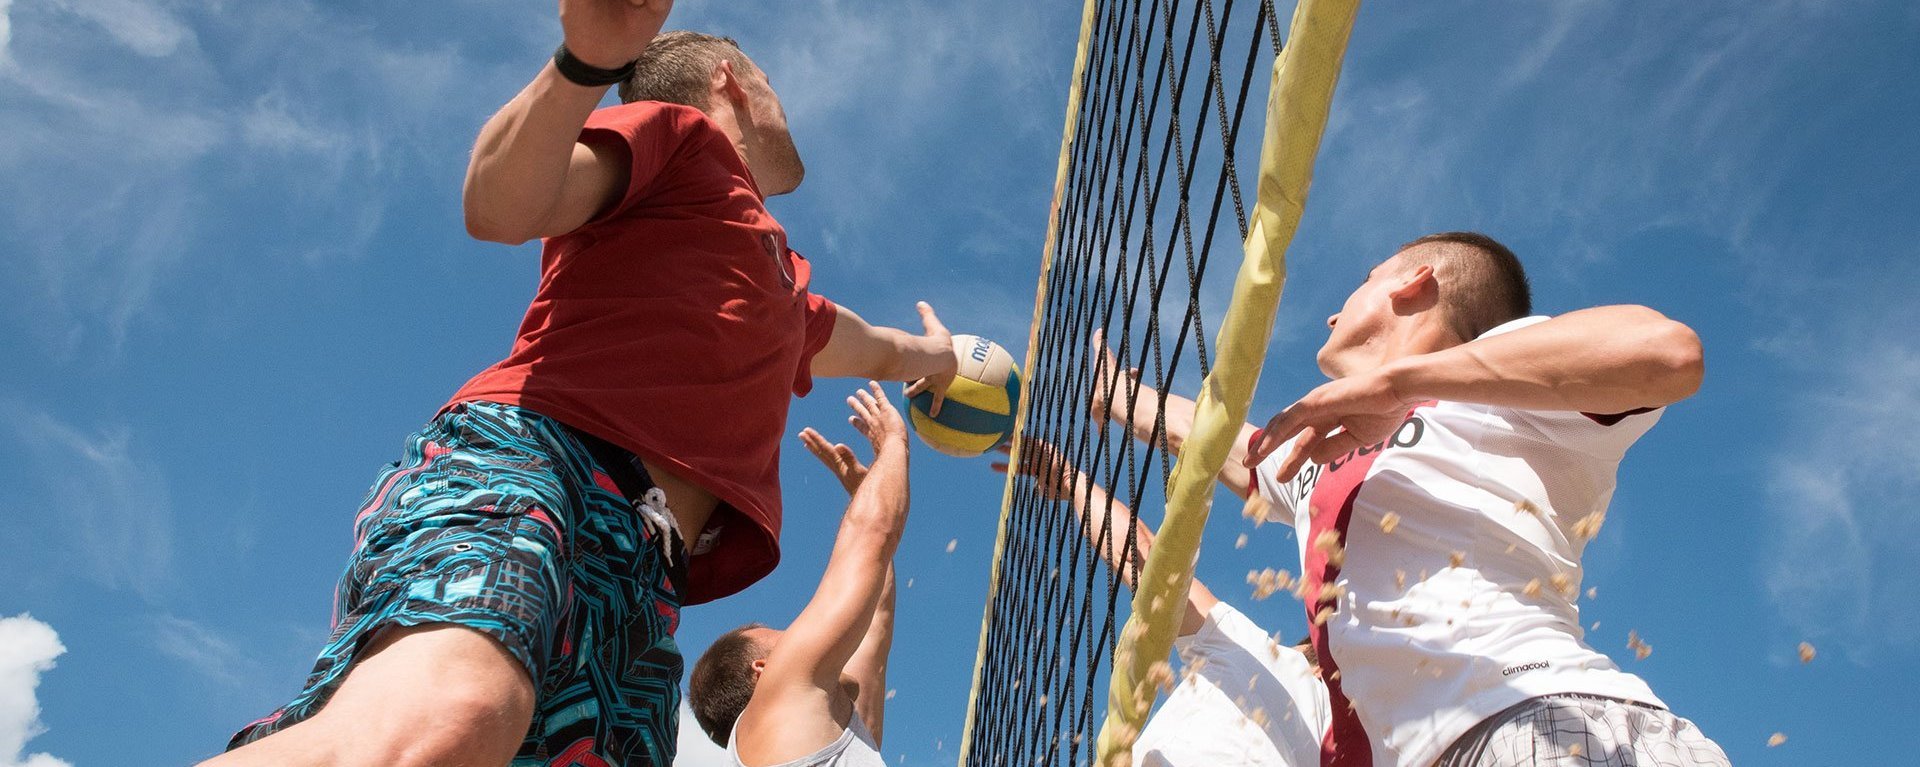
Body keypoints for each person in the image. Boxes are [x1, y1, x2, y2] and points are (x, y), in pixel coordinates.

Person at [203, 2, 962, 764]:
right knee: (453, 714)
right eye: (771, 80)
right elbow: (502, 205)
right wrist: (583, 62)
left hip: (643, 575)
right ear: (731, 79)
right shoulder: (680, 141)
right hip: (537, 465)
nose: (783, 102)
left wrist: (942, 357)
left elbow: (885, 349)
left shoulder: (790, 295)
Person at [1099, 232, 1728, 766]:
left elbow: (1669, 353)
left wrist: (1399, 382)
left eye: (1364, 280)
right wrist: (1117, 397)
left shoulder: (1510, 381)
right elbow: (1235, 448)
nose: (1330, 315)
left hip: (1541, 718)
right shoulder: (1333, 462)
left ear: (1413, 284)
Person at [995, 438, 1330, 767]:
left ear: (1319, 665)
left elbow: (1141, 556)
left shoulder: (1262, 657)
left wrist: (1071, 478)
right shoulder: (1362, 741)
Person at [686, 383, 910, 767]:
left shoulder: (834, 732)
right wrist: (894, 443)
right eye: (786, 638)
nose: (802, 635)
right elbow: (871, 535)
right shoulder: (783, 697)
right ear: (763, 670)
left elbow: (877, 617)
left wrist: (864, 490)